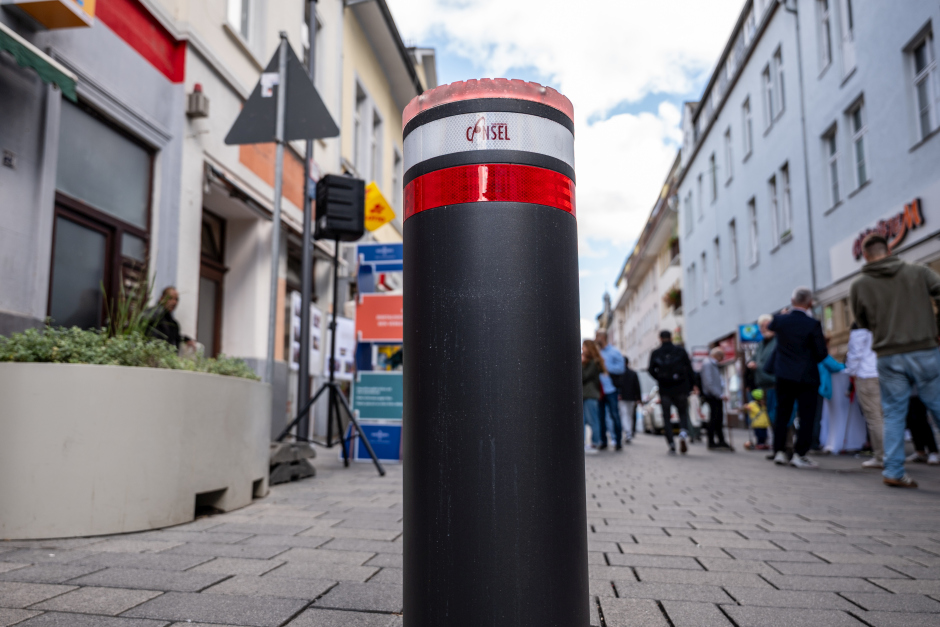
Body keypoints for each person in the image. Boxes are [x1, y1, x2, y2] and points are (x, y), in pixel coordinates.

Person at [851, 232, 940, 488]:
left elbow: (862, 321)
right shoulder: (918, 272)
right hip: (924, 348)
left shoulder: (859, 284)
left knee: (892, 413)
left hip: (888, 354)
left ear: (865, 256)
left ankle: (893, 470)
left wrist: (883, 330)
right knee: (936, 404)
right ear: (888, 250)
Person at [769, 287, 828, 469]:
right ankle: (800, 454)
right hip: (806, 376)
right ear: (810, 303)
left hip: (784, 375)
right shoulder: (812, 324)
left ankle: (779, 451)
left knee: (782, 413)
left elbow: (771, 326)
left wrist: (783, 314)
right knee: (807, 416)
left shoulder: (780, 320)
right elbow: (821, 354)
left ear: (792, 301)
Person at [648, 330, 695, 455]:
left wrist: (660, 378)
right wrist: (691, 386)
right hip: (680, 387)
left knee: (666, 417)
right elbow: (690, 369)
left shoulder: (656, 353)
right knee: (683, 413)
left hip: (665, 389)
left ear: (660, 338)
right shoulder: (680, 351)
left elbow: (650, 370)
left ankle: (671, 444)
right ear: (671, 337)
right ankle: (683, 433)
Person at [845, 323, 885, 468]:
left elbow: (855, 353)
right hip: (884, 372)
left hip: (867, 375)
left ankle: (882, 456)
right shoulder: (882, 322)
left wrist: (852, 371)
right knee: (884, 417)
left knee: (875, 418)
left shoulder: (860, 328)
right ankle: (890, 455)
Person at [595, 330, 625, 450]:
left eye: (597, 336)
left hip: (611, 389)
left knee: (614, 415)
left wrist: (605, 366)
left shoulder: (614, 352)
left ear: (603, 337)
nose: (596, 338)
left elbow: (621, 368)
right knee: (600, 417)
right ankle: (603, 441)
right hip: (599, 389)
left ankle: (618, 441)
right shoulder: (596, 353)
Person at [700, 347, 732, 450]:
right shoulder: (708, 364)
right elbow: (708, 382)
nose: (722, 359)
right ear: (717, 356)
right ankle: (712, 441)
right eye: (721, 357)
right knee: (714, 418)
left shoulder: (712, 364)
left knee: (718, 418)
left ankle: (720, 440)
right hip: (712, 395)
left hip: (715, 395)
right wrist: (719, 394)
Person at [753, 314, 777, 423]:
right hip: (764, 385)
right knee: (770, 415)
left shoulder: (778, 341)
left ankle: (785, 439)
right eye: (762, 326)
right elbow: (754, 358)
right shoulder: (761, 344)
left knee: (777, 415)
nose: (765, 328)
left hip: (775, 383)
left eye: (767, 325)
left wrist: (758, 365)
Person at [582, 340, 605, 451]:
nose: (582, 349)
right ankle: (584, 443)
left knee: (593, 420)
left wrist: (581, 364)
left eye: (583, 346)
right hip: (586, 395)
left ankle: (595, 443)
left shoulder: (593, 362)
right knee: (583, 420)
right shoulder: (590, 362)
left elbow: (584, 376)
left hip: (590, 395)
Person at [906, 395, 940, 465]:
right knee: (911, 419)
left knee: (921, 416)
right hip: (908, 391)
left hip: (919, 390)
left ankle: (933, 451)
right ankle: (920, 451)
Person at [619, 356, 642, 444]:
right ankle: (629, 432)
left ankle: (628, 432)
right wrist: (638, 398)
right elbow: (637, 386)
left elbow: (637, 386)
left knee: (625, 415)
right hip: (631, 398)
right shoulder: (633, 373)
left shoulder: (620, 373)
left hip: (623, 397)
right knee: (629, 415)